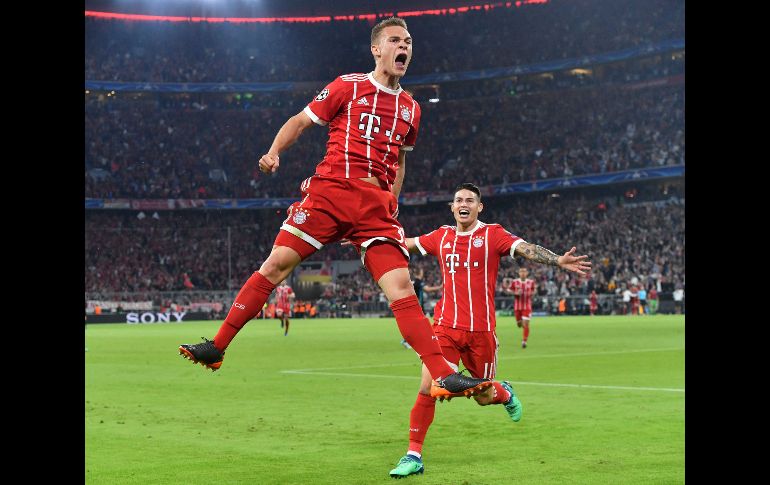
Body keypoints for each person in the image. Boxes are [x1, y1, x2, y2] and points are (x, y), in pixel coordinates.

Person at [179, 17, 491, 398]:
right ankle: (218, 346)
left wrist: (392, 199)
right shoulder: (348, 86)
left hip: (375, 208)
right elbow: (300, 120)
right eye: (395, 40)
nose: (404, 47)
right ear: (377, 49)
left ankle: (442, 373)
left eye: (408, 41)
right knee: (276, 265)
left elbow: (401, 160)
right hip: (330, 194)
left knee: (401, 286)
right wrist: (274, 152)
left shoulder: (411, 109)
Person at [388, 183, 591, 478]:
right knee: (429, 387)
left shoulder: (492, 234)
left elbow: (525, 249)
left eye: (470, 200)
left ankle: (504, 393)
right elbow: (401, 243)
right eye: (458, 200)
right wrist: (365, 239)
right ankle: (413, 455)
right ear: (452, 207)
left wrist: (557, 259)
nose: (463, 203)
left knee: (483, 397)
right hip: (444, 327)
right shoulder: (440, 236)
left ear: (479, 207)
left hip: (481, 332)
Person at [505, 266, 536, 348]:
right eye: (521, 272)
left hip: (527, 306)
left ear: (527, 273)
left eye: (524, 271)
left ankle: (524, 341)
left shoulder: (531, 282)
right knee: (519, 324)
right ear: (519, 273)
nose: (523, 273)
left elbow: (534, 290)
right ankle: (520, 323)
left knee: (526, 324)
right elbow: (508, 290)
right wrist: (515, 293)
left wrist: (532, 294)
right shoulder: (515, 282)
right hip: (517, 307)